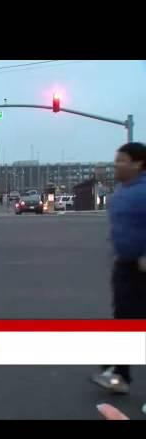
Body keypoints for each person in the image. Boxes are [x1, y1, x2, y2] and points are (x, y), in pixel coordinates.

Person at [91, 142, 146, 394]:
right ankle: (117, 373)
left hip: (141, 268)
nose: (116, 165)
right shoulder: (123, 191)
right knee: (125, 321)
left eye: (122, 160)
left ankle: (116, 371)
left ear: (138, 163)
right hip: (125, 268)